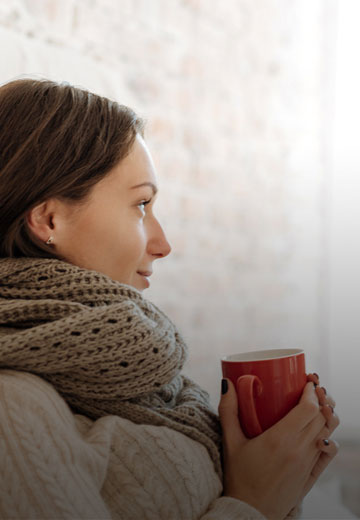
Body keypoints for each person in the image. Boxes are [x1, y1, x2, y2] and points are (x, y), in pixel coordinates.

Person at [0, 78, 339, 519]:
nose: (162, 244)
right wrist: (257, 502)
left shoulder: (145, 381)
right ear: (49, 219)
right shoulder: (13, 408)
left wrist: (286, 476)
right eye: (141, 205)